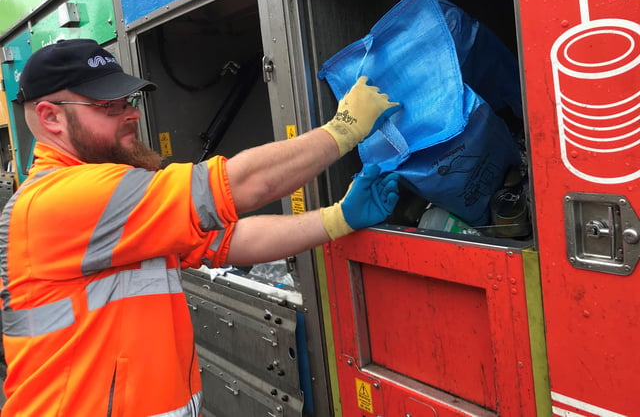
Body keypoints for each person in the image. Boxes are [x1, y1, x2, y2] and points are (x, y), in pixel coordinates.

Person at [0, 38, 400, 416]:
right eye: (109, 106)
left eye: (129, 101)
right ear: (51, 117)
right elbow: (239, 185)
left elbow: (231, 240)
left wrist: (337, 217)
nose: (132, 113)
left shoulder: (110, 213)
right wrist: (342, 131)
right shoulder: (59, 200)